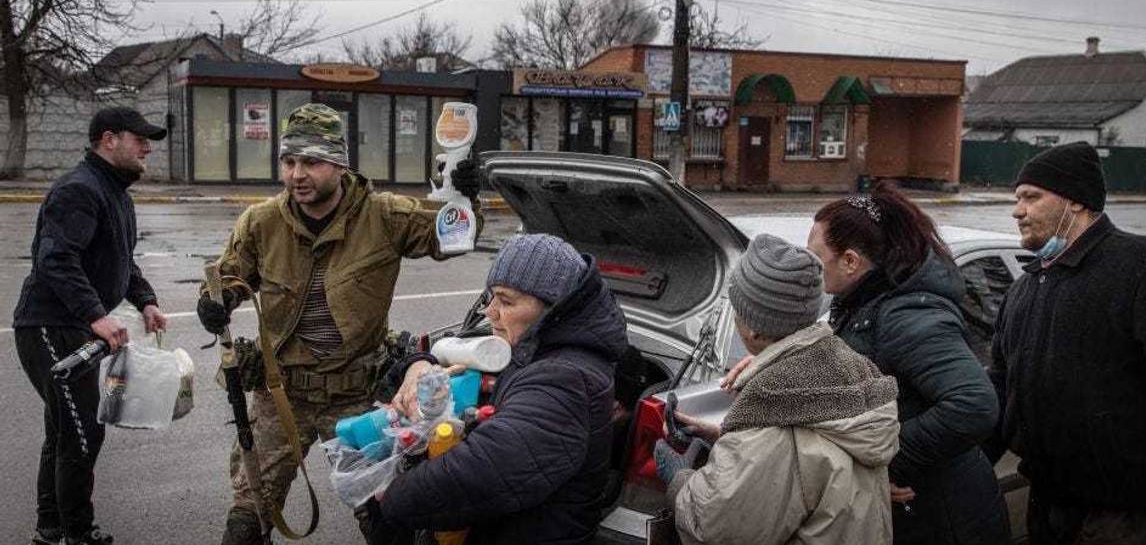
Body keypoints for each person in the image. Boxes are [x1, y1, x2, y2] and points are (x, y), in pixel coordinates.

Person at [194, 103, 482, 545]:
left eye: (311, 162)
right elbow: (227, 277)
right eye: (289, 162)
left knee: (383, 514)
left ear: (339, 163)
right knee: (248, 516)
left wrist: (465, 198)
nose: (297, 175)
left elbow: (453, 237)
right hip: (281, 393)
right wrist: (214, 303)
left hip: (356, 393)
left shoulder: (383, 215)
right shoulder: (262, 222)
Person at [990, 141, 1146, 543]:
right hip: (1050, 504)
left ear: (1075, 201)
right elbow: (1003, 391)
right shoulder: (1026, 289)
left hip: (1130, 513)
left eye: (1031, 197)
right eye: (1017, 198)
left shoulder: (1143, 266)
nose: (1017, 210)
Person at [358, 233, 628, 544]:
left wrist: (390, 498)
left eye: (506, 301)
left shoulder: (567, 380)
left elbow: (484, 472)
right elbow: (449, 354)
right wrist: (419, 364)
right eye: (491, 298)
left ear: (554, 306)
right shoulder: (532, 345)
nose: (490, 312)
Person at [655, 233, 901, 545]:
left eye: (737, 306)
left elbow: (715, 527)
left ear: (755, 325)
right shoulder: (841, 373)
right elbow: (802, 464)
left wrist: (679, 480)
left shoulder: (773, 418)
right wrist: (721, 435)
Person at [804, 181, 1010, 544]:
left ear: (851, 261)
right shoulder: (861, 303)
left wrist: (885, 459)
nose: (810, 267)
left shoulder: (908, 314)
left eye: (815, 257)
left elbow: (974, 404)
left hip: (946, 518)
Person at [13, 106, 170, 545]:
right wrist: (96, 315)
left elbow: (120, 259)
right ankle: (78, 533)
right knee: (83, 430)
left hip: (71, 325)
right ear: (108, 139)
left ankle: (51, 529)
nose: (147, 146)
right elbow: (55, 260)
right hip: (47, 325)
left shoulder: (114, 193)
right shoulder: (79, 190)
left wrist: (146, 301)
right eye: (139, 138)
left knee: (65, 430)